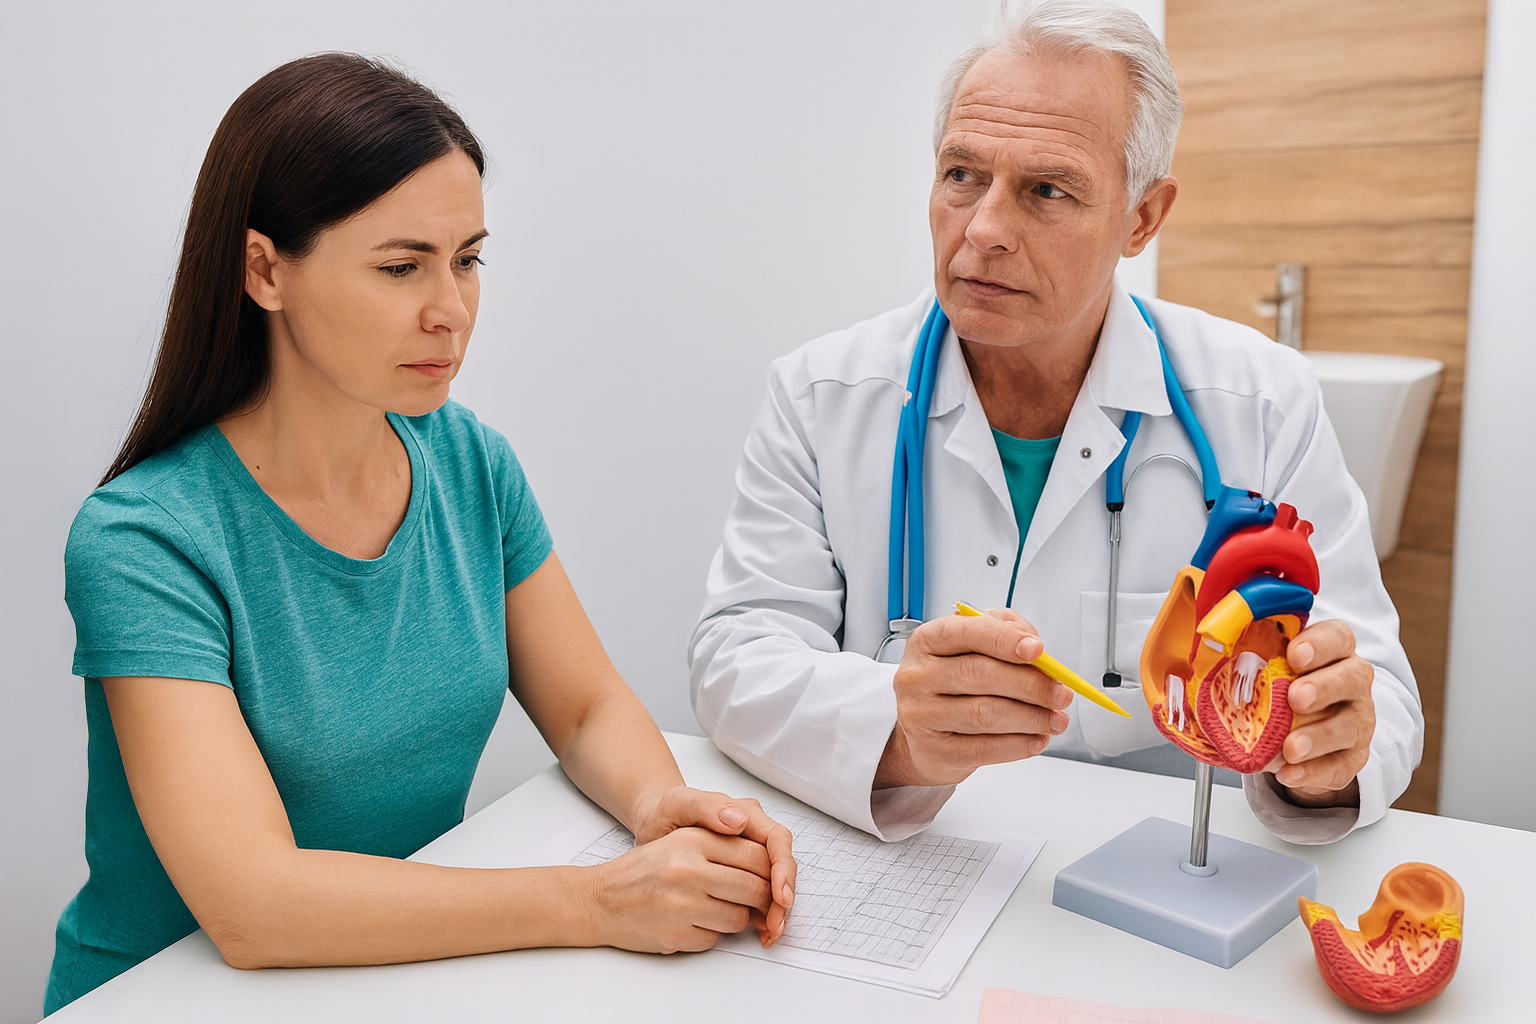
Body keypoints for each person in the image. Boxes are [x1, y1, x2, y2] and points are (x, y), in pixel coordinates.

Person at [48, 53, 793, 1014]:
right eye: (402, 267)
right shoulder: (144, 541)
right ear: (264, 269)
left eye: (468, 259)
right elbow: (254, 908)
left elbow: (585, 708)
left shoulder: (469, 462)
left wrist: (663, 810)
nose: (452, 311)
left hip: (388, 981)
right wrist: (597, 901)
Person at [690, 1, 1422, 845]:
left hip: (1162, 890)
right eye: (961, 175)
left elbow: (1380, 694)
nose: (986, 229)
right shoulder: (824, 392)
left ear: (1142, 218)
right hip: (921, 863)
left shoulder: (1261, 401)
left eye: (1047, 190)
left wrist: (1327, 753)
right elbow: (735, 655)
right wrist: (895, 724)